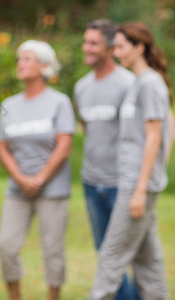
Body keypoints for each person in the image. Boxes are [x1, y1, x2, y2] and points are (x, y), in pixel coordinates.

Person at [90, 21, 170, 300]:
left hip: (136, 185)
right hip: (136, 182)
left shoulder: (150, 83)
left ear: (140, 48)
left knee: (110, 257)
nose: (115, 52)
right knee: (149, 261)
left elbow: (155, 137)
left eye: (121, 47)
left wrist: (140, 188)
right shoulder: (139, 82)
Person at [0, 40, 75, 300]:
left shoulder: (59, 102)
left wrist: (40, 178)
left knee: (52, 249)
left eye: (28, 58)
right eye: (20, 59)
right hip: (17, 189)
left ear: (45, 66)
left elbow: (64, 146)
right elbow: (3, 148)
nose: (21, 63)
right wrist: (20, 178)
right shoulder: (10, 104)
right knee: (6, 245)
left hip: (52, 189)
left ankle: (53, 295)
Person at [73, 19, 138, 299]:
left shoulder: (129, 83)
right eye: (85, 41)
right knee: (105, 254)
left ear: (111, 48)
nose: (86, 48)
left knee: (122, 257)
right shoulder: (82, 87)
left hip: (122, 184)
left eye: (93, 43)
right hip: (92, 182)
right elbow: (90, 130)